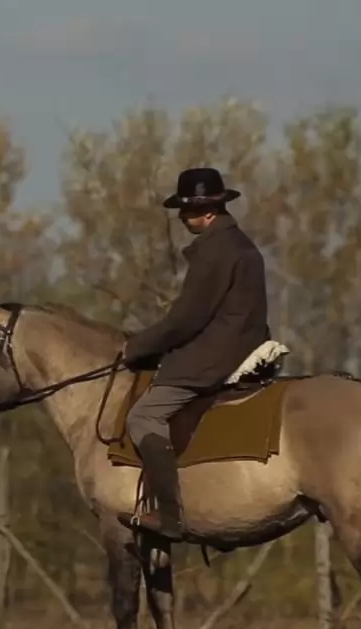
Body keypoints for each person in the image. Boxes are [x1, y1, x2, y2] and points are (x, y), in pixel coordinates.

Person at [119, 167, 272, 540]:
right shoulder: (239, 244)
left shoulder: (215, 251)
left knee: (143, 416)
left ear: (207, 212)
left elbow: (187, 319)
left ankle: (170, 517)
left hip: (218, 351)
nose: (182, 219)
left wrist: (136, 347)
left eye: (186, 212)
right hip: (246, 342)